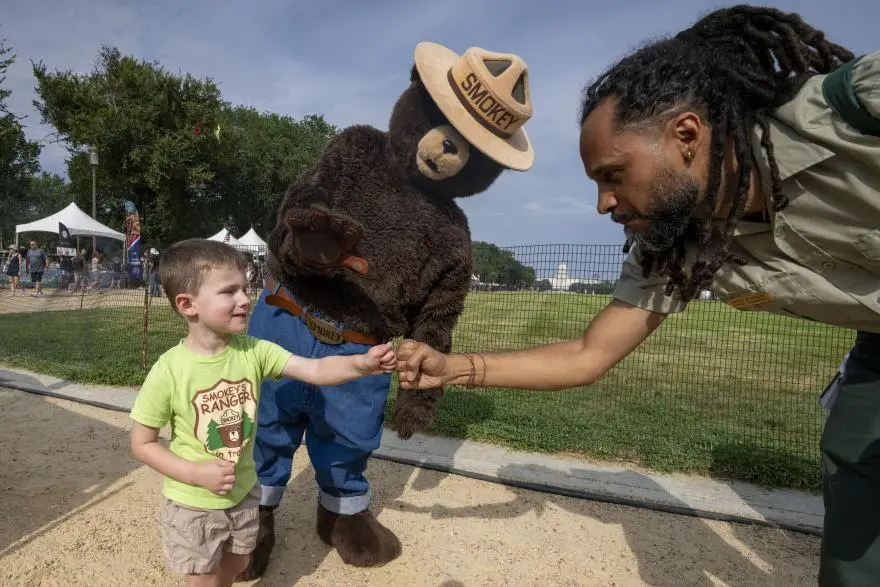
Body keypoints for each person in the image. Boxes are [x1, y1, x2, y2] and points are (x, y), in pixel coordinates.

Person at [395, 6, 879, 586]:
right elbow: (587, 355)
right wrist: (452, 367)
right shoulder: (677, 246)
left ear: (686, 135)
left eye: (613, 174)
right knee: (855, 460)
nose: (604, 203)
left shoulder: (849, 108)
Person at [128, 239, 396, 587]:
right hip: (195, 500)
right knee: (203, 577)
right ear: (187, 304)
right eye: (229, 292)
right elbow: (142, 443)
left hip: (244, 492)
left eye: (245, 287)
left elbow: (314, 370)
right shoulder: (170, 370)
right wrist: (194, 474)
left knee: (238, 560)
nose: (245, 298)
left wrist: (360, 364)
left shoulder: (253, 351)